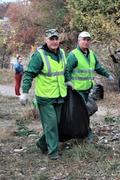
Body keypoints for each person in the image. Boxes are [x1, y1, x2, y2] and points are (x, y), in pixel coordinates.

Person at [20, 29, 68, 160]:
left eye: (56, 39)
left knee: (56, 124)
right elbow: (29, 74)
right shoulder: (39, 55)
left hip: (59, 95)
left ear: (59, 40)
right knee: (51, 125)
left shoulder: (62, 53)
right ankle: (53, 153)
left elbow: (65, 70)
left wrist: (69, 82)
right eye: (51, 39)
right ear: (45, 40)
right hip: (45, 97)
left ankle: (41, 143)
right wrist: (24, 92)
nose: (54, 41)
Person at [66, 31, 113, 143]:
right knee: (82, 112)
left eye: (88, 40)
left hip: (87, 90)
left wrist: (108, 75)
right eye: (84, 39)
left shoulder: (91, 54)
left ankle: (79, 132)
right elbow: (66, 70)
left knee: (89, 110)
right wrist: (68, 82)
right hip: (76, 91)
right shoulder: (73, 55)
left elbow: (98, 67)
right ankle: (86, 134)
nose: (86, 42)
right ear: (79, 41)